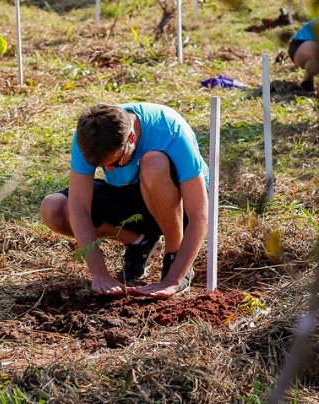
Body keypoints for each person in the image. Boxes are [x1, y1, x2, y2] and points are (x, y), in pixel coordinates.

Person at [40, 102, 209, 298]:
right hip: (131, 196)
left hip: (180, 204)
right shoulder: (88, 136)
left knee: (154, 163)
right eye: (101, 166)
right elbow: (79, 209)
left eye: (116, 162)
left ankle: (174, 253)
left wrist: (173, 280)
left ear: (131, 137)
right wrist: (100, 274)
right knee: (54, 208)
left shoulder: (170, 129)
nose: (110, 170)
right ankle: (139, 242)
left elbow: (200, 213)